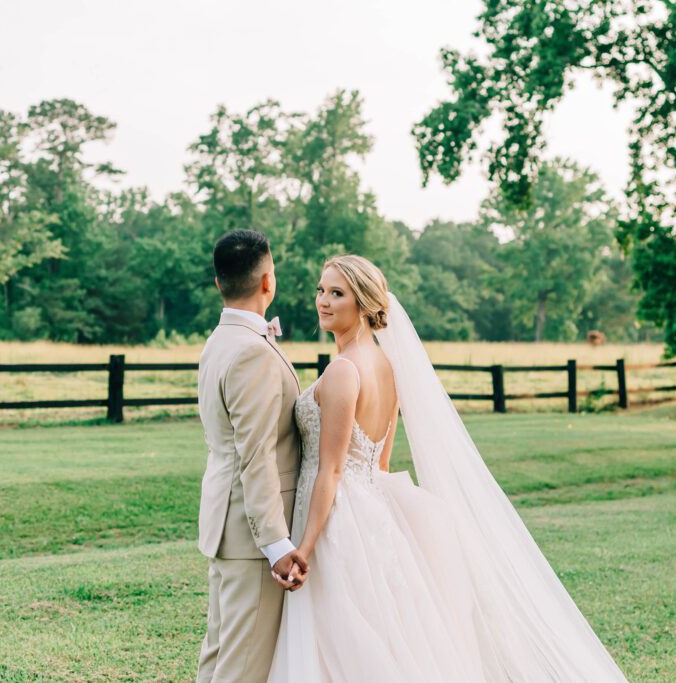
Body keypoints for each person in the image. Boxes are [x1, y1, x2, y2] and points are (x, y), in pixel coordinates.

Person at [267, 255, 628, 682]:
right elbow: (380, 463)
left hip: (336, 522)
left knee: (343, 642)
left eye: (336, 293)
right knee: (386, 635)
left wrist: (303, 549)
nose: (323, 302)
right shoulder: (388, 367)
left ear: (363, 303)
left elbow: (332, 471)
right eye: (320, 290)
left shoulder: (345, 371)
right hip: (374, 516)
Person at [196, 230, 308, 683]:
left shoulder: (218, 342)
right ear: (268, 281)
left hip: (225, 525)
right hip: (251, 534)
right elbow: (256, 454)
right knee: (242, 670)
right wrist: (276, 544)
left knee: (220, 657)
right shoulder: (251, 353)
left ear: (218, 281)